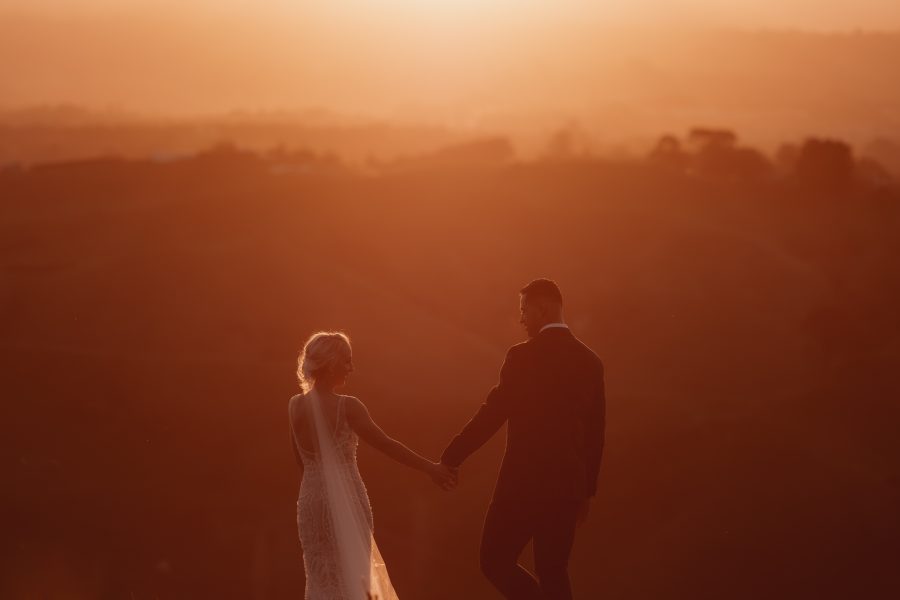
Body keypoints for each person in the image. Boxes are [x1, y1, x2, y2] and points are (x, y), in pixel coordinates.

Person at [441, 278, 606, 600]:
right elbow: (595, 435)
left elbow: (493, 413)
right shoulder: (591, 362)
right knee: (554, 570)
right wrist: (587, 492)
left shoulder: (522, 357)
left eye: (524, 310)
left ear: (541, 309)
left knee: (494, 561)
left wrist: (451, 456)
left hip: (522, 483)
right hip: (568, 488)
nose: (521, 319)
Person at [288, 331, 456, 599]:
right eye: (346, 361)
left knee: (320, 575)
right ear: (331, 363)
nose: (351, 368)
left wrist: (318, 487)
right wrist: (430, 467)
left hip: (311, 501)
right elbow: (387, 445)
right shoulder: (349, 407)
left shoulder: (295, 405)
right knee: (355, 575)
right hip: (346, 497)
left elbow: (300, 459)